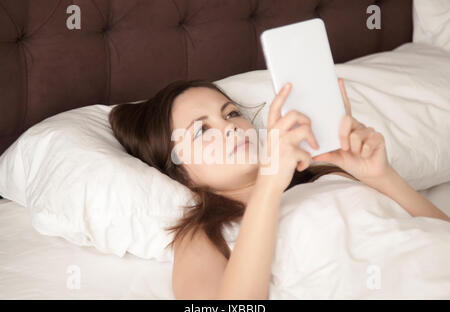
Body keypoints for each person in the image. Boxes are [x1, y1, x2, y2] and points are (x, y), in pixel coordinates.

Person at [109, 77, 450, 300]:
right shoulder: (204, 234)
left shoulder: (324, 174)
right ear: (180, 172)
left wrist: (381, 175)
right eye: (202, 131)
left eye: (231, 115)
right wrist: (268, 186)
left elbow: (436, 233)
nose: (230, 129)